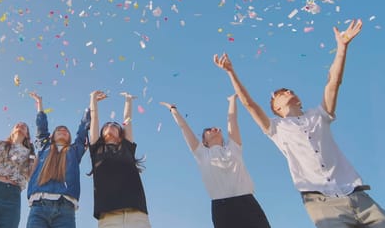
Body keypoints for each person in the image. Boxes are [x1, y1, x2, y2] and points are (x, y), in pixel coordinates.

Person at [214, 19, 385, 228]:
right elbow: (249, 104)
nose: (288, 92)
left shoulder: (320, 115)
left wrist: (342, 47)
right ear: (276, 109)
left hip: (357, 195)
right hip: (322, 203)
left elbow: (333, 82)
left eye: (290, 91)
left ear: (298, 99)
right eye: (280, 94)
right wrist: (230, 72)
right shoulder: (275, 128)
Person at [159, 96, 270, 228]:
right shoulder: (201, 153)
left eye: (215, 128)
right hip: (222, 208)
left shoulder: (233, 147)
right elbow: (184, 127)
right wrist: (173, 110)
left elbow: (232, 120)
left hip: (247, 201)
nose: (213, 129)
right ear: (204, 141)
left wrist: (232, 100)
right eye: (208, 130)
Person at [26, 92, 91, 228]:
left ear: (70, 137)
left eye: (66, 130)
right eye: (59, 130)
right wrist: (39, 103)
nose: (63, 131)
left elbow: (83, 130)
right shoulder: (44, 147)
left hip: (65, 207)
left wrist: (90, 106)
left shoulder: (74, 151)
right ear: (52, 136)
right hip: (39, 204)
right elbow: (41, 127)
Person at [89, 91, 151, 228]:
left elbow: (127, 119)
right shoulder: (96, 149)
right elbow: (94, 118)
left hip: (137, 214)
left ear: (120, 133)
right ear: (102, 132)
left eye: (115, 125)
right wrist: (93, 99)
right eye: (107, 125)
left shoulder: (127, 148)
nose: (110, 126)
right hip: (109, 217)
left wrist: (128, 100)